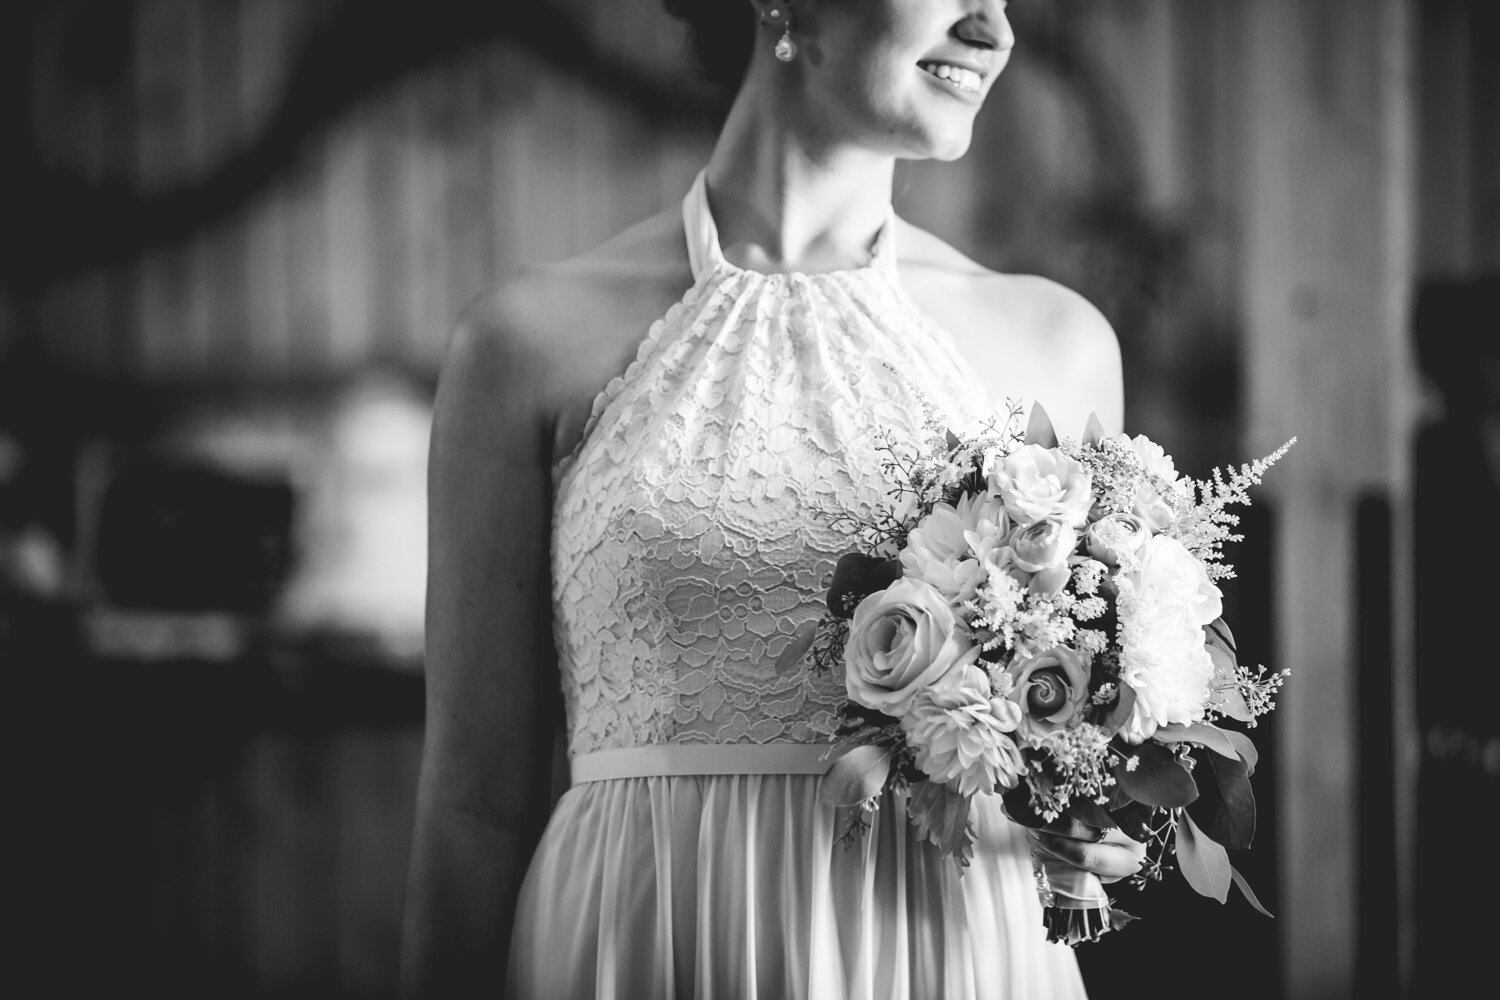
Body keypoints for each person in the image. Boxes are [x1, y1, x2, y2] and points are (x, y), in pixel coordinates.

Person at [401, 2, 1145, 996]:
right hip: (645, 942)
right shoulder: (524, 348)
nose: (993, 30)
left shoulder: (1060, 345)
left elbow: (1092, 780)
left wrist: (1096, 811)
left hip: (945, 950)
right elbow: (475, 803)